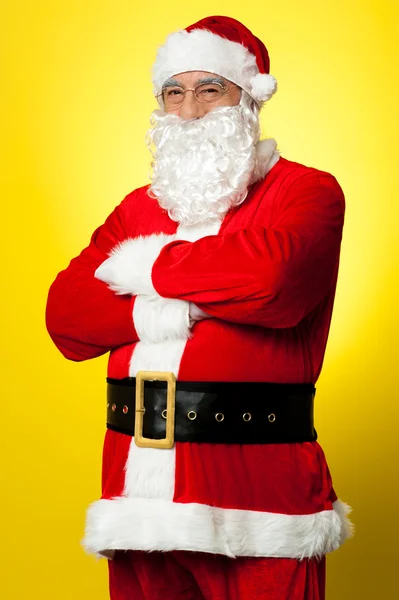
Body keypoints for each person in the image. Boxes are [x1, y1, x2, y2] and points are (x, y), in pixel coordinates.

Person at [46, 15, 352, 600]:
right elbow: (67, 319)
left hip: (259, 499)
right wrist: (189, 302)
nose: (188, 110)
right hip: (137, 499)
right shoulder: (137, 207)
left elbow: (272, 281)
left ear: (248, 100)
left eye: (210, 89)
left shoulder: (308, 192)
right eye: (173, 92)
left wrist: (142, 270)